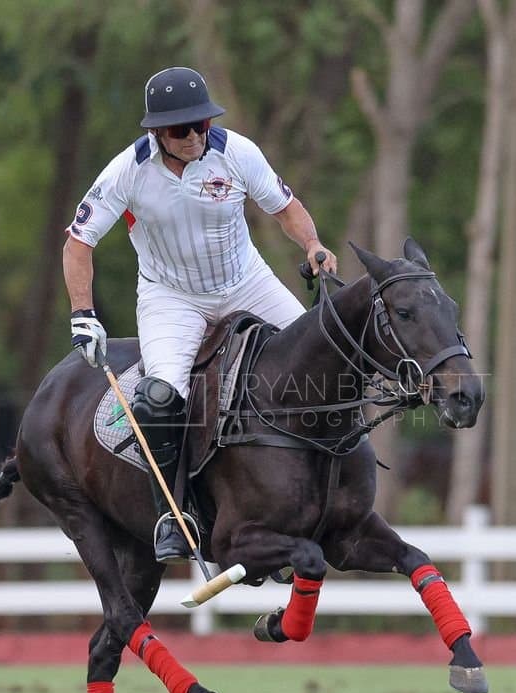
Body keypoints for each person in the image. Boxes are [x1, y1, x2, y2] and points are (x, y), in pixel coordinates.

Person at [63, 66, 338, 564]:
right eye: (179, 129)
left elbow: (286, 207)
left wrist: (314, 244)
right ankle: (176, 513)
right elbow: (79, 242)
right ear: (156, 133)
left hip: (246, 281)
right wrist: (83, 314)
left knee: (314, 358)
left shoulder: (238, 153)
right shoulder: (127, 172)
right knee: (161, 397)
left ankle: (313, 494)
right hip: (172, 297)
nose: (193, 136)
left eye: (200, 125)